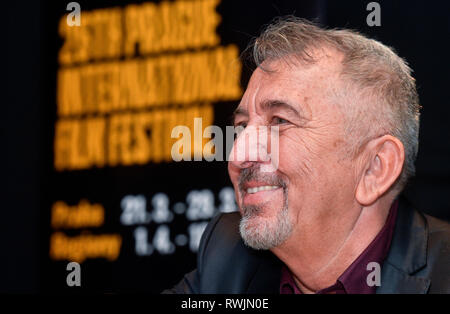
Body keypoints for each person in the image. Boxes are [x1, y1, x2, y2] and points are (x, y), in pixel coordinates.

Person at [163, 16, 450, 294]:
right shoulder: (229, 256)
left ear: (375, 168)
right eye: (241, 127)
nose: (238, 155)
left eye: (280, 121)